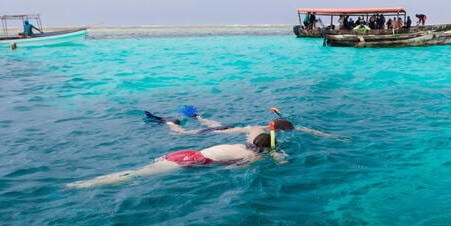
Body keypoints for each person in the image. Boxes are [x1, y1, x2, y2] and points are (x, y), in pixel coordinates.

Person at [67, 132, 276, 189]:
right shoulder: (252, 155)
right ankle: (86, 184)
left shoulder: (240, 146)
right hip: (191, 160)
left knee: (141, 171)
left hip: (185, 152)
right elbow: (233, 171)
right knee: (137, 175)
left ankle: (86, 183)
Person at [145, 106, 339, 140]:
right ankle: (170, 122)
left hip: (227, 128)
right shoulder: (265, 132)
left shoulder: (266, 128)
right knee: (181, 134)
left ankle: (196, 117)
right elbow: (307, 129)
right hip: (221, 132)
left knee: (212, 123)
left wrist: (331, 136)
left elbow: (308, 129)